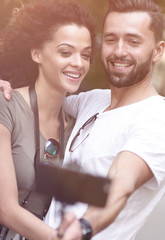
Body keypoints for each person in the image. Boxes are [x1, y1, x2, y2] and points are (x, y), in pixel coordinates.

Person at [1, 0, 165, 240]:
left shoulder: (157, 117)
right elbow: (40, 97)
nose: (119, 50)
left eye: (133, 41)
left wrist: (83, 227)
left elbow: (120, 183)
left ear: (158, 50)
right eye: (110, 39)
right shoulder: (91, 102)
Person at [0, 0, 96, 239]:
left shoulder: (76, 128)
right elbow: (6, 209)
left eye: (85, 55)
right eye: (66, 52)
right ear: (36, 53)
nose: (78, 63)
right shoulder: (6, 106)